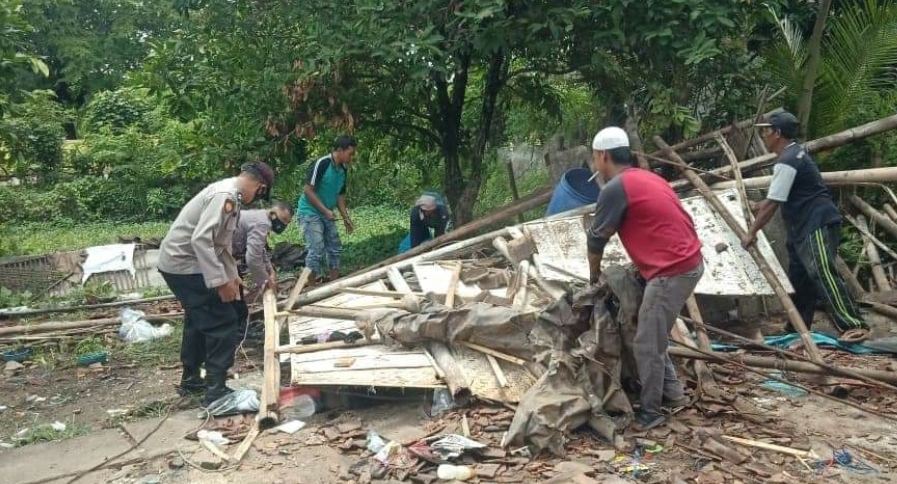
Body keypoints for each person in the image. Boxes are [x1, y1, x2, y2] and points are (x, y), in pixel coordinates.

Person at [586, 126, 704, 430]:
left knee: (646, 344)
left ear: (602, 155)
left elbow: (596, 239)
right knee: (654, 335)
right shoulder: (648, 178)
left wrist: (593, 276)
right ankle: (674, 394)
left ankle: (651, 412)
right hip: (688, 263)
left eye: (594, 158)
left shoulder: (614, 188)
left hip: (671, 271)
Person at [742, 112, 869, 342]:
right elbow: (779, 196)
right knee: (800, 278)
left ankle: (853, 323)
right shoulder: (793, 154)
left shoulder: (787, 160)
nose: (764, 135)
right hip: (803, 226)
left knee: (821, 272)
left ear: (777, 133)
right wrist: (757, 205)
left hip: (815, 222)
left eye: (766, 131)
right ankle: (798, 326)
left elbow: (773, 203)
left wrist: (752, 232)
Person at [157, 160, 275, 405]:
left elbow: (221, 246)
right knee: (222, 320)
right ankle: (216, 390)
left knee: (199, 318)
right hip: (185, 264)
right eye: (260, 194)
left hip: (182, 262)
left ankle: (192, 380)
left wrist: (232, 276)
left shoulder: (231, 196)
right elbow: (202, 240)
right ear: (260, 187)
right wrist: (220, 283)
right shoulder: (225, 196)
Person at [231, 201, 294, 344]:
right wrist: (266, 282)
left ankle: (241, 330)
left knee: (238, 295)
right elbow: (252, 260)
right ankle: (235, 334)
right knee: (230, 295)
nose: (283, 225)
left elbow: (260, 249)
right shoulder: (262, 223)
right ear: (273, 213)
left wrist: (270, 269)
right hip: (217, 255)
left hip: (225, 255)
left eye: (287, 222)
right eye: (283, 220)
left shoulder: (262, 220)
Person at [297, 135, 356, 284]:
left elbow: (340, 196)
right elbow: (308, 191)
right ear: (340, 150)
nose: (351, 157)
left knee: (335, 248)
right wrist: (325, 211)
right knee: (316, 250)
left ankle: (333, 284)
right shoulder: (322, 164)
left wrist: (346, 219)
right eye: (350, 153)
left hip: (327, 213)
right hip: (309, 212)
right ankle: (310, 288)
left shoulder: (343, 170)